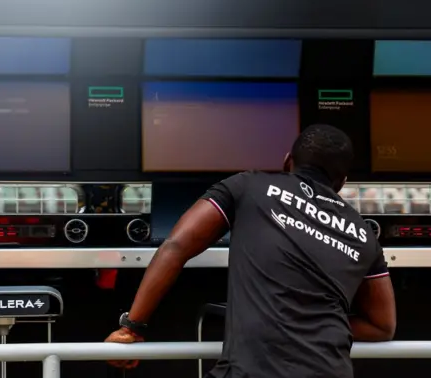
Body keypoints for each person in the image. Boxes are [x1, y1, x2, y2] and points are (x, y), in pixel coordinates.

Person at [105, 124, 396, 378]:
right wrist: (311, 323)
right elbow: (382, 326)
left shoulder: (250, 186)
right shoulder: (363, 234)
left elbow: (177, 246)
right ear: (342, 183)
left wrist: (132, 327)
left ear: (287, 162)